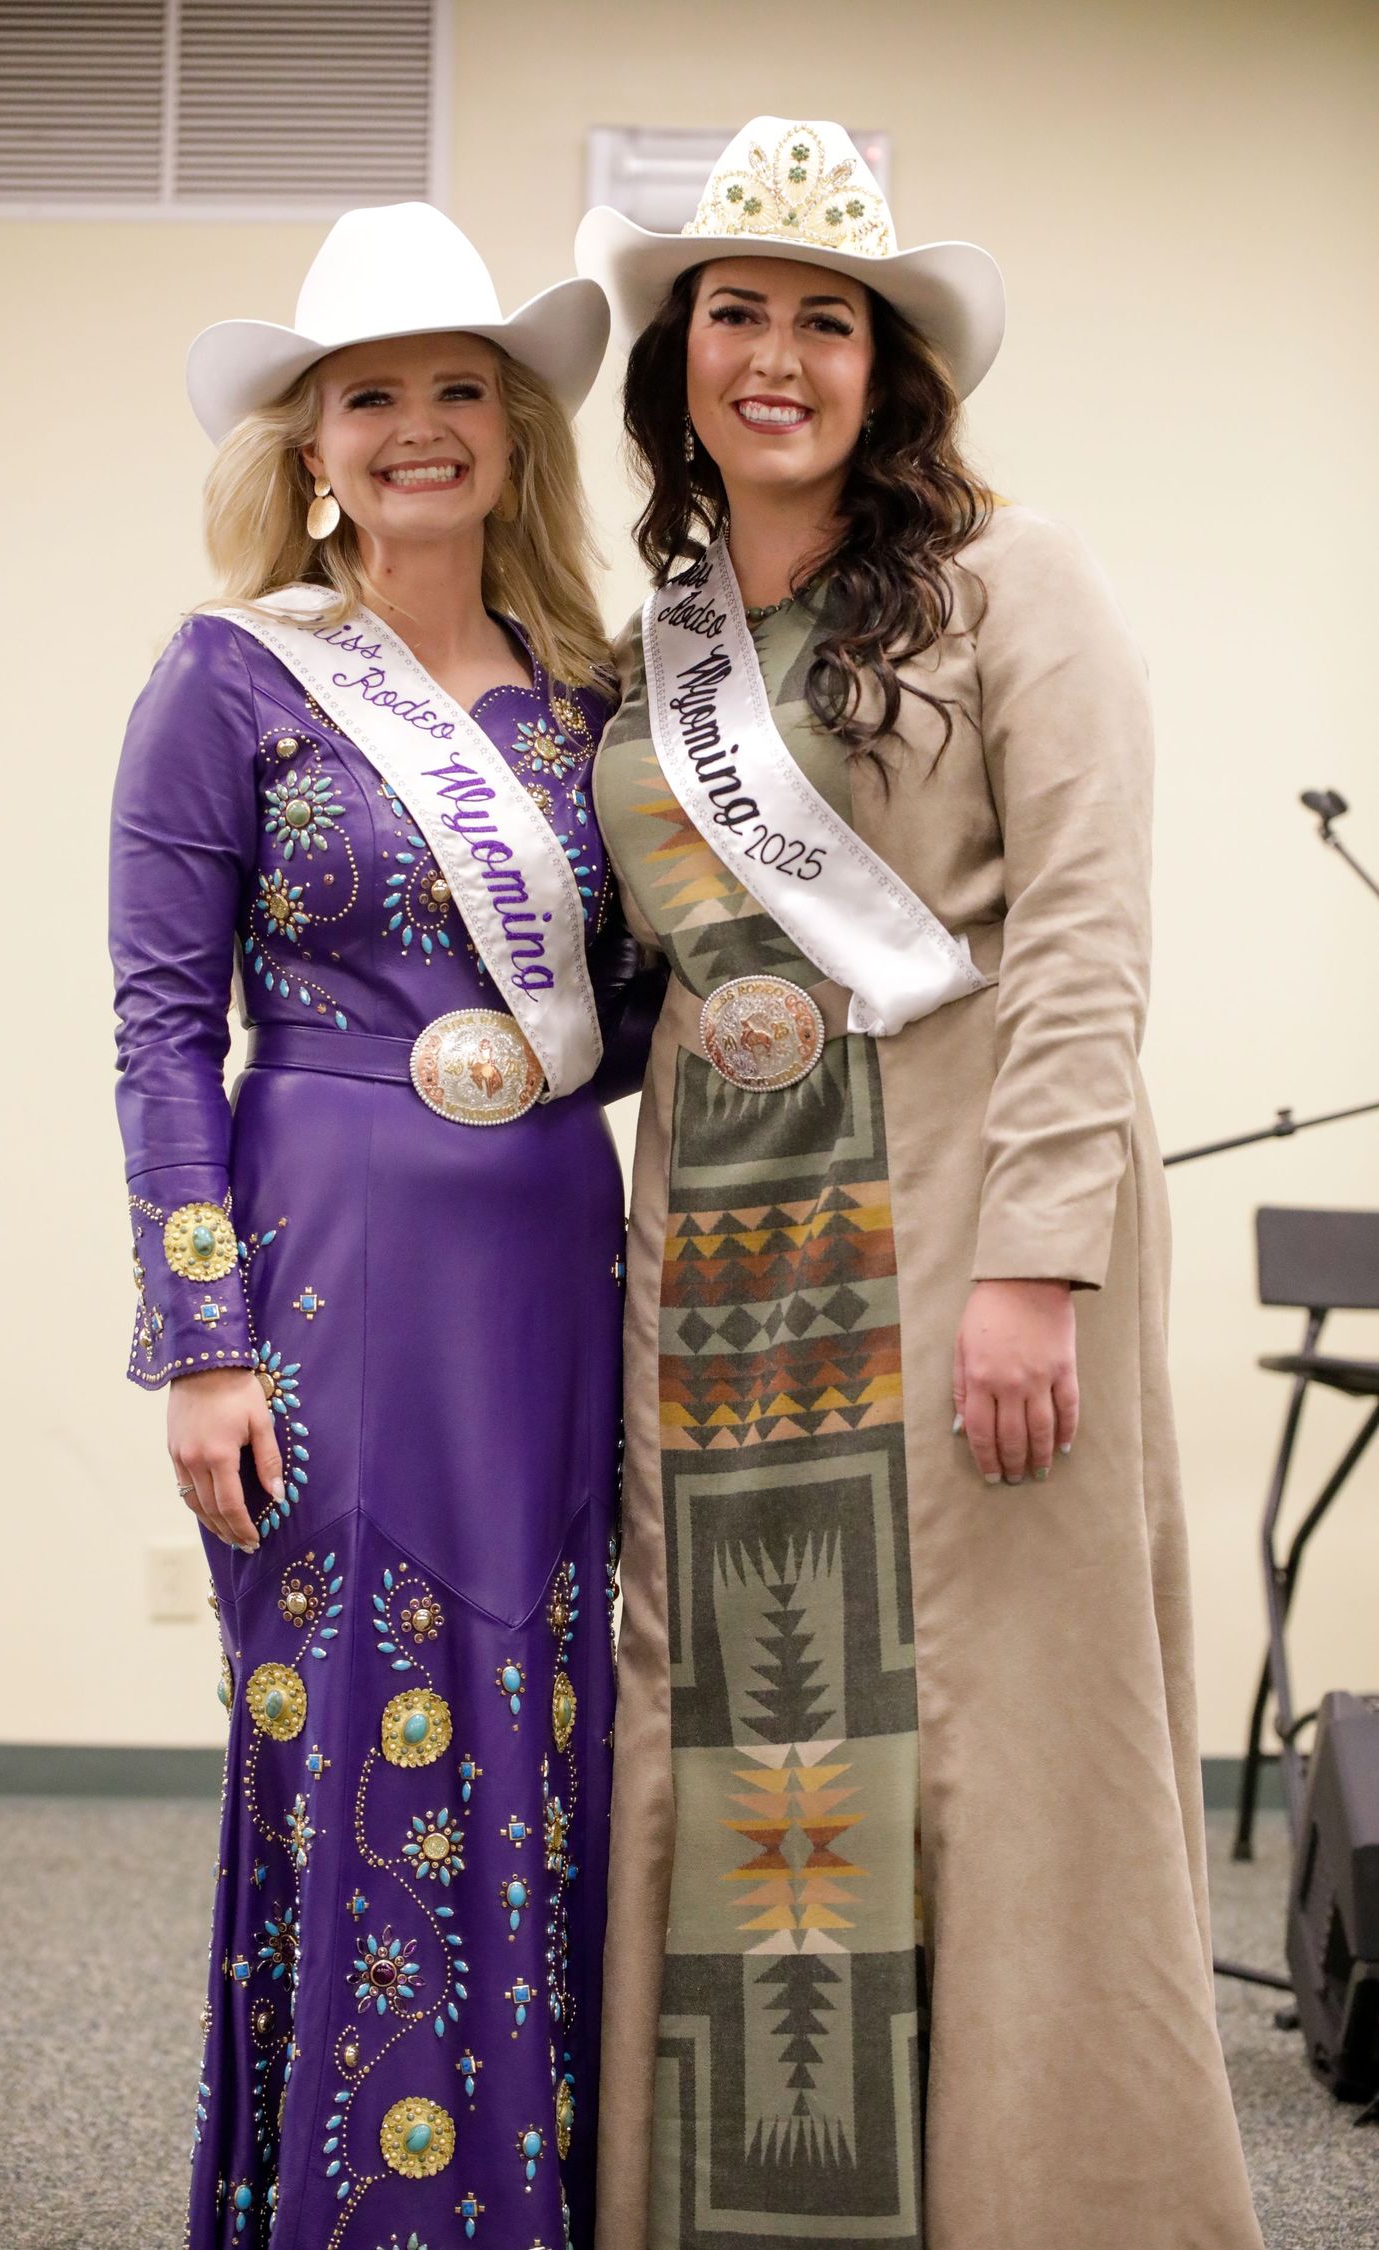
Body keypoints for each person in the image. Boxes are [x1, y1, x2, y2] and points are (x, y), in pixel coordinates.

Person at [575, 118, 1263, 2250]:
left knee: (994, 1745)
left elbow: (1084, 931)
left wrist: (1040, 1260)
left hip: (966, 1224)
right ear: (680, 354)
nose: (775, 356)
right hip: (723, 1265)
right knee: (744, 1734)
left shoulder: (1013, 581)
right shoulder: (651, 646)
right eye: (737, 314)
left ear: (892, 366)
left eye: (826, 320)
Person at [109, 202, 654, 2249]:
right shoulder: (228, 677)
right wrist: (201, 1341)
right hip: (325, 1284)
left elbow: (636, 1025)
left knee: (543, 1732)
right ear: (310, 443)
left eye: (455, 389)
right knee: (350, 1732)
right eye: (371, 397)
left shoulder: (592, 702)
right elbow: (161, 1027)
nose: (416, 426)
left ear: (510, 429)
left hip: (545, 1281)